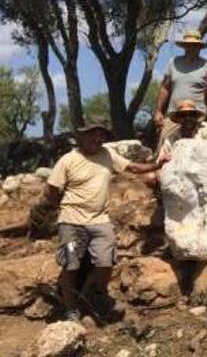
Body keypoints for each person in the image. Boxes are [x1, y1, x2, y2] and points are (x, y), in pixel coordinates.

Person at [36, 122, 164, 321]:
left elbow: (133, 167)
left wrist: (159, 164)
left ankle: (97, 295)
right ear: (81, 137)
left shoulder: (107, 155)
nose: (97, 140)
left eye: (101, 136)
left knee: (106, 260)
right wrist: (62, 207)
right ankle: (71, 308)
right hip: (71, 221)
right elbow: (52, 189)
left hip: (100, 220)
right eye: (92, 135)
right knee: (70, 264)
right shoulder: (68, 160)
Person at [153, 31, 207, 129]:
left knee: (201, 143)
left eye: (194, 45)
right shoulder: (173, 62)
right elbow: (165, 88)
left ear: (199, 47)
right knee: (166, 142)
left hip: (199, 116)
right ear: (184, 46)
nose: (191, 47)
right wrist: (158, 111)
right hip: (174, 115)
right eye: (188, 45)